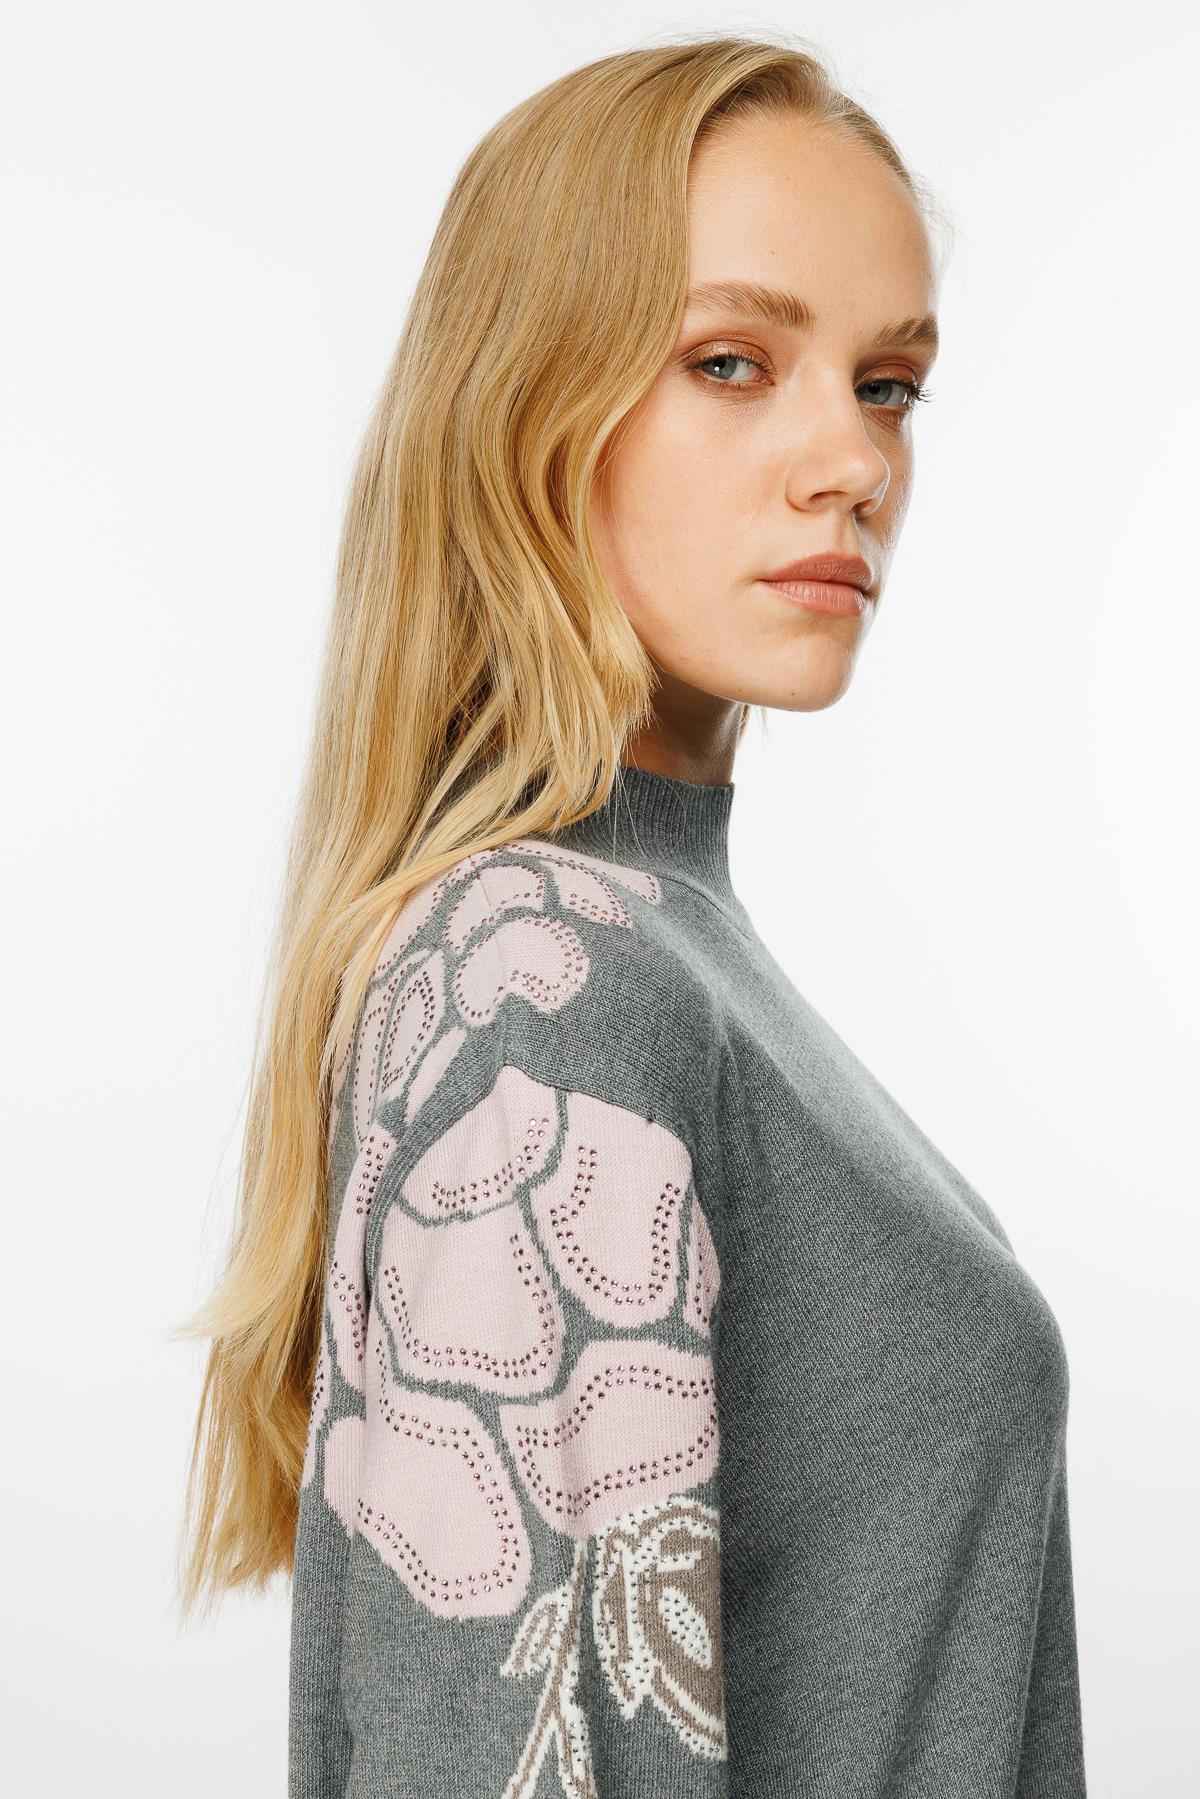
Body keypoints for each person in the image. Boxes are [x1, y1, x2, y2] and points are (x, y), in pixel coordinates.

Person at [175, 32, 1088, 1798]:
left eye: (889, 385)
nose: (853, 461)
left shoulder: (653, 948)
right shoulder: (557, 985)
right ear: (528, 410)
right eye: (733, 362)